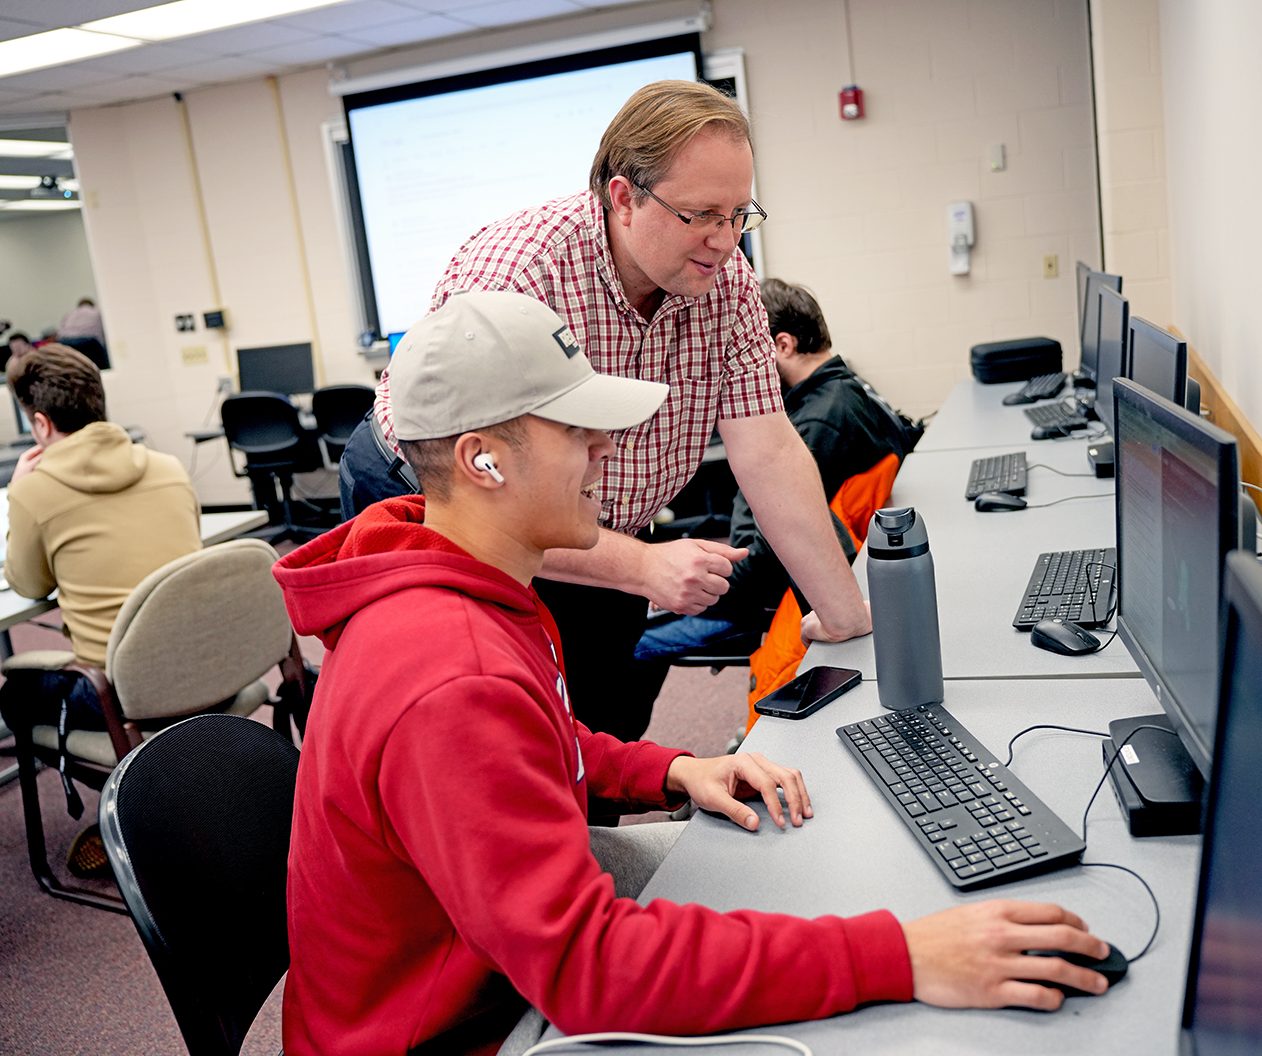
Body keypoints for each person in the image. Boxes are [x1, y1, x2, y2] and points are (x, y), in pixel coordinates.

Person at [275, 291, 1114, 1056]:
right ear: (482, 459)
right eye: (576, 430)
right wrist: (900, 956)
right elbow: (591, 971)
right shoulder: (449, 671)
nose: (609, 446)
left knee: (785, 883)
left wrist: (668, 767)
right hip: (460, 1031)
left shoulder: (457, 580)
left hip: (491, 968)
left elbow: (534, 741)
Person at [338, 79, 871, 743]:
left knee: (601, 717)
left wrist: (846, 614)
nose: (725, 239)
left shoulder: (723, 280)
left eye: (740, 214)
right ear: (624, 197)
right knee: (483, 721)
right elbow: (489, 498)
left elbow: (768, 448)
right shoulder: (523, 275)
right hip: (438, 495)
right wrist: (640, 566)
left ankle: (586, 829)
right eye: (702, 214)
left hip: (588, 514)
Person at [635, 278, 922, 664]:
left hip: (759, 598)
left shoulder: (818, 424)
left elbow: (772, 555)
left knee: (630, 643)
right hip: (774, 576)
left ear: (783, 345)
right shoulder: (848, 391)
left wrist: (689, 589)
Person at [0, 344, 200, 821]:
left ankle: (130, 804)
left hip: (116, 691)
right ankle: (160, 790)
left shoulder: (34, 489)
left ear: (42, 424)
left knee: (15, 695)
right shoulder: (168, 467)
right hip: (205, 667)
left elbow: (27, 584)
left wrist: (18, 492)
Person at [56, 297, 109, 369]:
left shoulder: (69, 314)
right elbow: (105, 332)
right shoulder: (96, 312)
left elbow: (60, 333)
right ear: (92, 305)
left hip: (66, 343)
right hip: (88, 343)